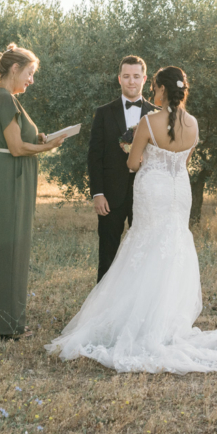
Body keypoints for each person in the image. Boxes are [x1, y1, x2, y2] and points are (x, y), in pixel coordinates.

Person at [47, 67, 217, 373]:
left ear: (162, 90)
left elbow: (133, 162)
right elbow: (185, 161)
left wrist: (135, 150)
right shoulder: (193, 123)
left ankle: (132, 322)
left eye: (153, 86)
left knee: (145, 243)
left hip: (152, 188)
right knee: (173, 248)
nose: (152, 92)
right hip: (179, 190)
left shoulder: (148, 121)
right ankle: (164, 322)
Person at [0, 44, 68, 339]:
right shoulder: (5, 98)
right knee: (11, 248)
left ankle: (3, 320)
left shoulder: (4, 98)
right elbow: (17, 148)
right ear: (15, 69)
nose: (31, 80)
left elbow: (19, 138)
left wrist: (41, 137)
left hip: (9, 173)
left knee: (8, 246)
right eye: (30, 73)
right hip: (11, 174)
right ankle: (7, 326)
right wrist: (47, 146)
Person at [87, 55, 157, 281]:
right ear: (119, 79)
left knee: (144, 255)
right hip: (110, 196)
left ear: (144, 79)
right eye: (126, 77)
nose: (131, 82)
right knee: (107, 256)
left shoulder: (157, 114)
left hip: (145, 194)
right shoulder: (104, 113)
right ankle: (100, 311)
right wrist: (98, 193)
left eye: (136, 77)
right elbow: (95, 156)